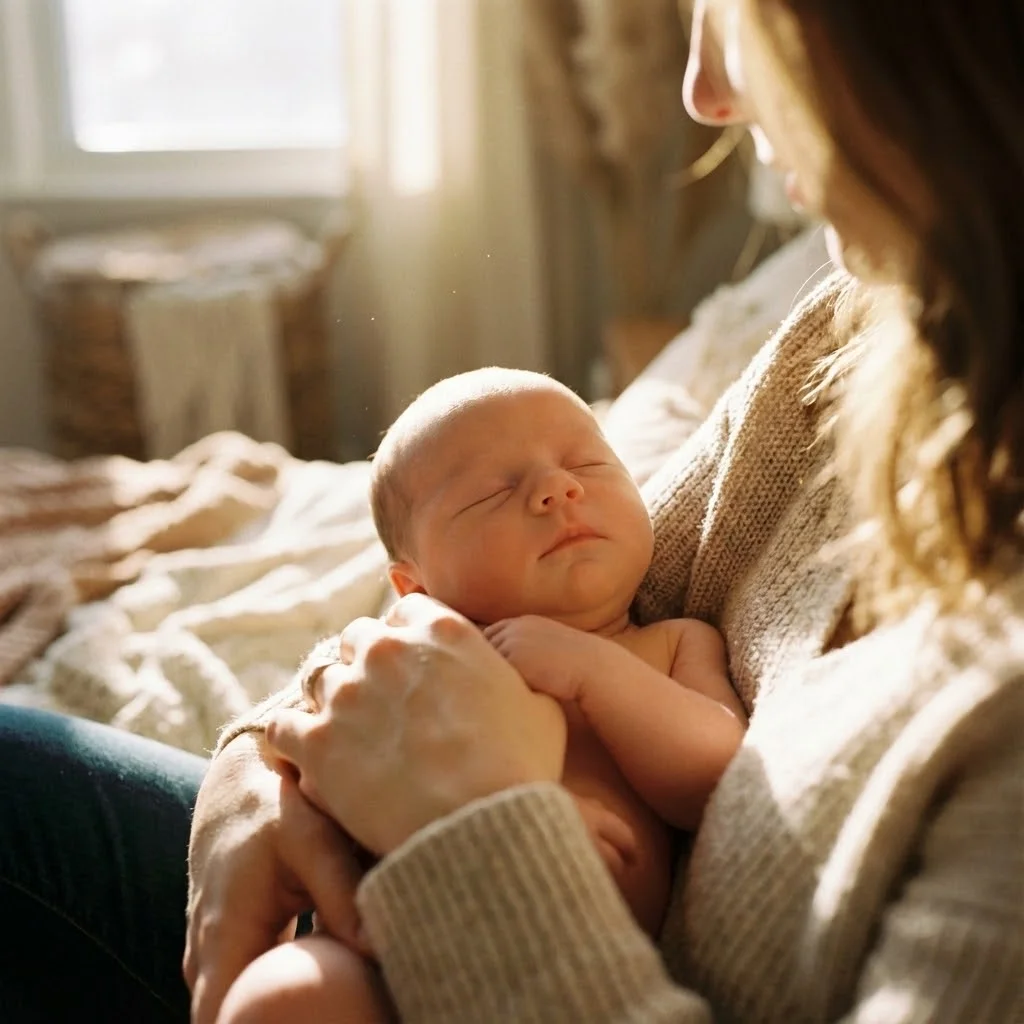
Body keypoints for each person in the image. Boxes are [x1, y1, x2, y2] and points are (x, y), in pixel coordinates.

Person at [0, 0, 1021, 1021]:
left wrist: (475, 831)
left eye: (740, 13)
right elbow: (541, 580)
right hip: (365, 910)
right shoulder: (872, 324)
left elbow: (626, 686)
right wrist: (271, 761)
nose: (701, 93)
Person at [217, 367, 747, 1023]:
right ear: (414, 588)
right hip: (384, 945)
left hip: (569, 974)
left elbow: (719, 776)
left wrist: (592, 678)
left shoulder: (672, 644)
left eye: (587, 461)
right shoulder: (420, 658)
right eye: (488, 496)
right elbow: (325, 757)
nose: (557, 488)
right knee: (281, 998)